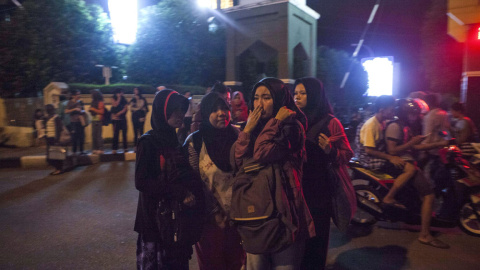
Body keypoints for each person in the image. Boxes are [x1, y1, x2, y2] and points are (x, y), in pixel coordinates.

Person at [234, 77, 315, 269]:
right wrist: (247, 130)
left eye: (266, 97)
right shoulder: (252, 128)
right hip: (255, 216)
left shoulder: (291, 128)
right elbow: (237, 160)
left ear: (279, 100)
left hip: (284, 215)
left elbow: (261, 152)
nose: (259, 104)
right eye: (256, 98)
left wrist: (277, 121)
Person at [357, 96, 449, 249]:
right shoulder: (393, 126)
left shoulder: (403, 126)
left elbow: (414, 147)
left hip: (400, 159)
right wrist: (408, 146)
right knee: (429, 195)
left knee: (425, 192)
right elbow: (388, 150)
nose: (418, 117)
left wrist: (440, 143)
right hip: (386, 161)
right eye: (415, 114)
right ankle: (424, 234)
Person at [134, 89, 205, 270]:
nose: (180, 115)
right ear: (161, 112)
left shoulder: (175, 139)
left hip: (176, 222)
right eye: (174, 110)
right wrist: (178, 192)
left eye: (181, 110)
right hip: (154, 222)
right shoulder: (148, 142)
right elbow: (141, 181)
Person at [293, 77, 354, 269]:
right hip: (295, 189)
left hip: (319, 193)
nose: (298, 97)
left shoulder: (330, 122)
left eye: (303, 93)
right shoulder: (292, 119)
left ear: (314, 95)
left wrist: (330, 150)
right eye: (295, 93)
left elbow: (347, 154)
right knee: (296, 242)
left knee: (317, 240)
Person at [184, 92, 245, 270]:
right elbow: (191, 182)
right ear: (205, 113)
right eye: (214, 109)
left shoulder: (240, 136)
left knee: (237, 263)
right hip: (208, 223)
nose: (221, 113)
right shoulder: (195, 142)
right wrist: (212, 212)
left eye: (224, 108)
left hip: (239, 219)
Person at [45, 104, 64, 175]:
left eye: (47, 110)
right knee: (50, 156)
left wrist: (57, 140)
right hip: (49, 138)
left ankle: (59, 169)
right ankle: (57, 168)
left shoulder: (56, 117)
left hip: (54, 138)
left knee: (56, 155)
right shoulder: (47, 117)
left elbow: (59, 129)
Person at [65, 89, 85, 155]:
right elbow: (66, 111)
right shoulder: (70, 102)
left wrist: (81, 111)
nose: (79, 95)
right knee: (74, 137)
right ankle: (74, 152)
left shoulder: (80, 102)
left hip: (80, 121)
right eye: (77, 94)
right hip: (73, 122)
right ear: (73, 96)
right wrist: (74, 109)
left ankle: (81, 151)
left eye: (79, 94)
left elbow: (83, 111)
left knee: (81, 136)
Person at [111, 88, 128, 154]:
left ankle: (125, 148)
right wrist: (118, 98)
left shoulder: (124, 99)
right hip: (116, 119)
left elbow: (125, 108)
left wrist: (119, 113)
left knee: (124, 134)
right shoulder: (113, 98)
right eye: (120, 92)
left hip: (123, 118)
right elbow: (115, 105)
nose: (122, 94)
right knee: (116, 134)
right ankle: (114, 148)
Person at [89, 89, 105, 154]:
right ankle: (95, 148)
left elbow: (102, 111)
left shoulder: (100, 102)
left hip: (98, 120)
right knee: (94, 135)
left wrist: (93, 109)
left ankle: (100, 148)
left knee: (98, 135)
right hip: (94, 119)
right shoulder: (93, 102)